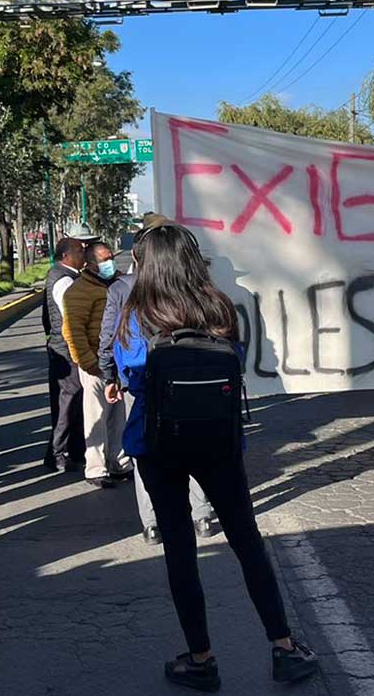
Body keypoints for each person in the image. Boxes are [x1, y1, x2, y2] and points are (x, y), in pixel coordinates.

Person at [112, 224, 318, 691]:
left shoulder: (136, 314)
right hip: (220, 442)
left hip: (156, 443)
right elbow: (236, 361)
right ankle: (284, 647)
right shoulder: (219, 309)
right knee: (246, 540)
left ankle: (201, 659)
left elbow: (130, 375)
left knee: (180, 549)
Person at [100, 217, 214, 543]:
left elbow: (113, 340)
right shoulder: (202, 292)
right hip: (193, 387)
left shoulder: (125, 290)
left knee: (147, 454)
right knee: (195, 449)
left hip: (144, 387)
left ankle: (152, 523)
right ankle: (202, 514)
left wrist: (111, 376)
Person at [62, 242, 127, 489]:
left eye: (110, 257)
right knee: (97, 416)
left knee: (118, 416)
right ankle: (96, 468)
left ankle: (119, 462)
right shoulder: (78, 291)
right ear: (90, 263)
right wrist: (90, 363)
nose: (109, 262)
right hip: (96, 364)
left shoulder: (118, 284)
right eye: (104, 259)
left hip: (118, 362)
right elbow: (73, 332)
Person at [42, 237, 86, 472]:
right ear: (66, 255)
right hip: (66, 351)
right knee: (67, 402)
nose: (83, 255)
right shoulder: (63, 279)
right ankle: (58, 453)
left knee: (74, 401)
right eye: (79, 251)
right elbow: (71, 318)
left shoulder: (68, 276)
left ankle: (73, 450)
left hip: (65, 348)